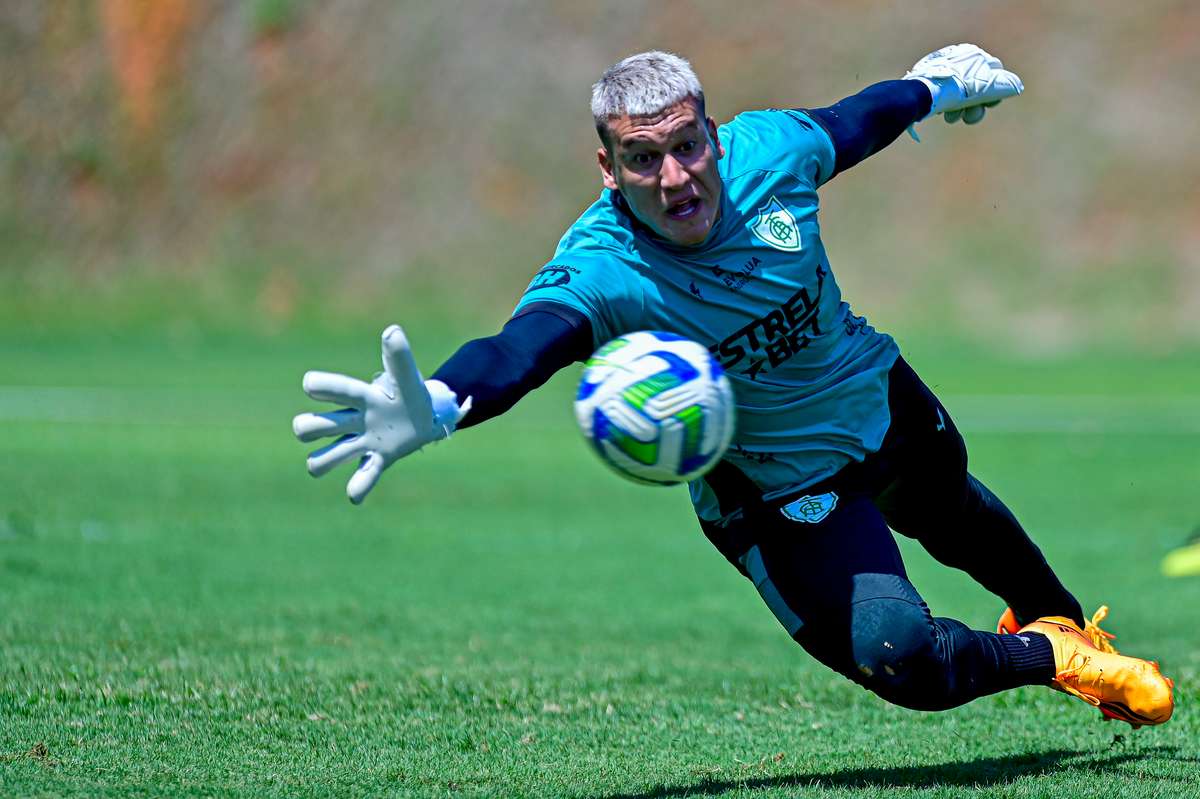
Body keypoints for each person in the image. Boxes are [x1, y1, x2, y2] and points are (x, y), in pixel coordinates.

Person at [292, 45, 1174, 727]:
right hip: (784, 492)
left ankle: (1065, 622)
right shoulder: (603, 271)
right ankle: (1051, 657)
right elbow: (521, 348)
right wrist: (443, 401)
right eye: (643, 160)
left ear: (712, 134)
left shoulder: (771, 156)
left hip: (878, 394)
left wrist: (936, 87)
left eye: (687, 146)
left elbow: (859, 119)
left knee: (953, 499)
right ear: (607, 170)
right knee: (904, 656)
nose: (675, 177)